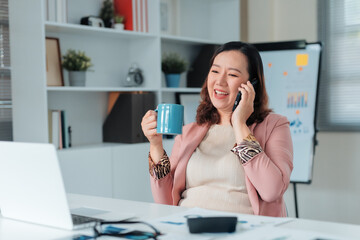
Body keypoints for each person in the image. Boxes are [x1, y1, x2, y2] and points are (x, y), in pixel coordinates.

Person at [141, 41, 293, 217]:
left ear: (252, 84)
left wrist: (239, 123)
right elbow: (165, 202)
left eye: (232, 75)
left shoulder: (275, 126)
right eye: (215, 71)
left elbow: (271, 191)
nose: (220, 81)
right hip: (187, 227)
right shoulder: (190, 132)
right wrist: (156, 145)